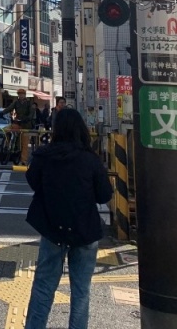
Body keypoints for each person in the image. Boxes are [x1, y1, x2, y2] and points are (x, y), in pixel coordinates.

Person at [23, 107, 113, 329]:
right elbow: (104, 195)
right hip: (85, 231)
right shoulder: (90, 160)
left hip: (53, 230)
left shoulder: (45, 155)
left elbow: (33, 181)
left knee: (43, 287)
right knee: (81, 292)